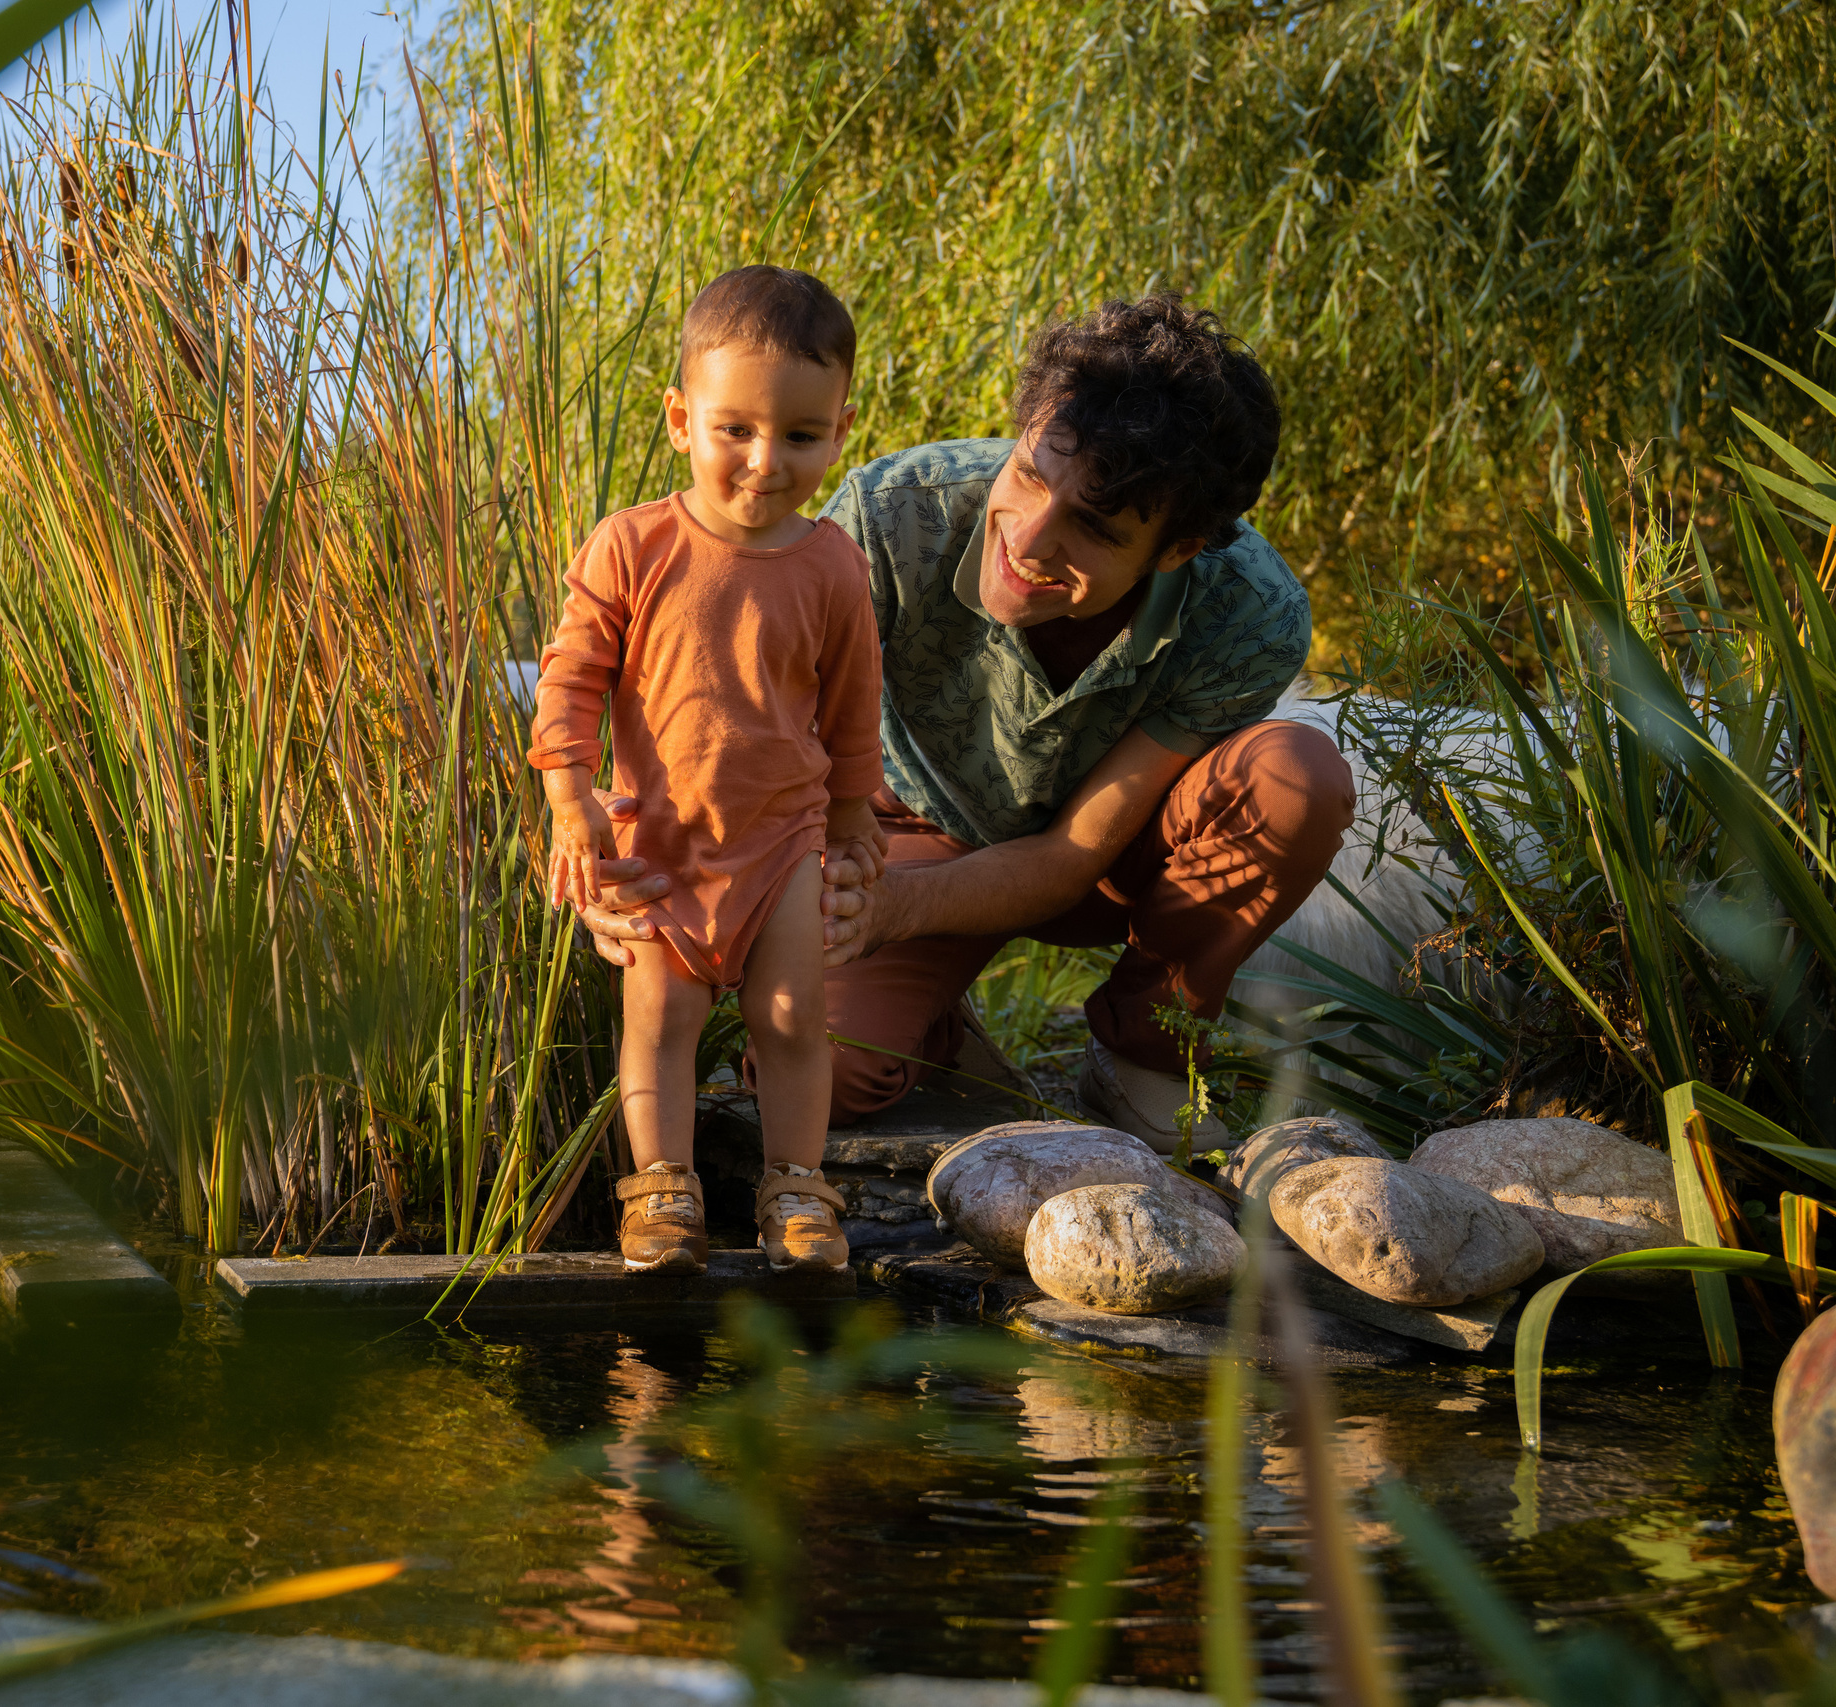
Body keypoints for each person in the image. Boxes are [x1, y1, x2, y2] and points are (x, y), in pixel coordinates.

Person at [565, 293, 1354, 1151]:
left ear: (1178, 548)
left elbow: (1072, 854)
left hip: (1104, 860)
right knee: (831, 1068)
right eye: (1030, 476)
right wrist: (613, 837)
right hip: (899, 825)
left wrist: (892, 911)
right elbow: (723, 717)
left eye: (1091, 528)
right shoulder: (890, 517)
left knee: (1295, 779)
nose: (1030, 538)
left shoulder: (1250, 614)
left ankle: (1141, 1055)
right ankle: (939, 1027)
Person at [529, 265, 884, 1275]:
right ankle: (662, 1189)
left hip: (782, 838)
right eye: (735, 429)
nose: (765, 462)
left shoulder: (832, 567)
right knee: (663, 1013)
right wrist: (568, 797)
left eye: (801, 436)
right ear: (681, 419)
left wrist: (855, 821)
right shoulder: (631, 546)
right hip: (661, 837)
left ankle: (796, 1187)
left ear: (839, 430)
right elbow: (568, 681)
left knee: (792, 1014)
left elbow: (853, 708)